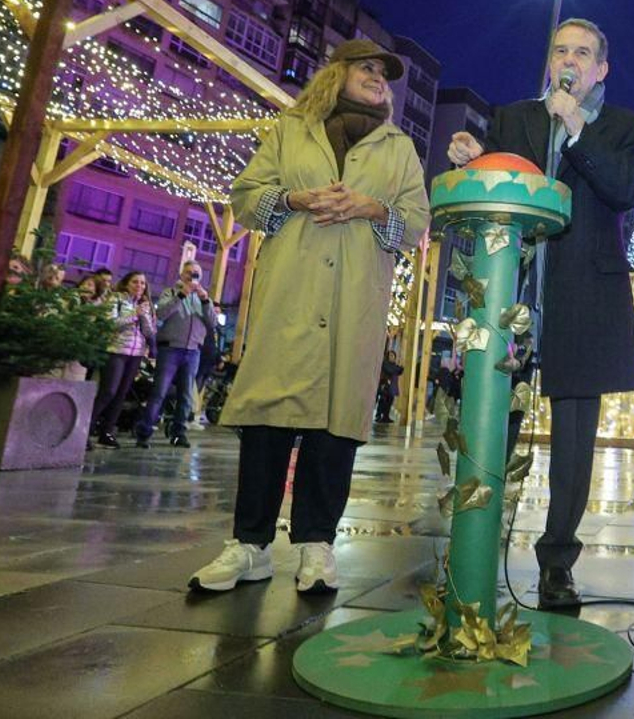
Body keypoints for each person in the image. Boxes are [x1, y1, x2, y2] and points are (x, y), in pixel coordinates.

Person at [189, 38, 428, 594]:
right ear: (336, 75)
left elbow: (416, 222)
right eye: (366, 69)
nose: (377, 79)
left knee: (334, 426)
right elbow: (246, 196)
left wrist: (373, 208)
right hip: (291, 293)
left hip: (354, 299)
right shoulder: (290, 129)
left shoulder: (399, 148)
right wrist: (295, 200)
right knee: (268, 420)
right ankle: (249, 546)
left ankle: (316, 545)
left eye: (382, 74)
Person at [446, 18, 634, 609]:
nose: (570, 59)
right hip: (514, 296)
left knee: (574, 442)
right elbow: (497, 188)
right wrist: (471, 158)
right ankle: (474, 542)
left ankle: (557, 561)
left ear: (601, 69)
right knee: (491, 419)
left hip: (586, 297)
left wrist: (578, 129)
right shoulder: (514, 119)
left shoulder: (622, 126)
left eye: (583, 52)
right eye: (561, 49)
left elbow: (623, 191)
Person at [137, 261, 216, 449]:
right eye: (189, 273)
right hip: (170, 349)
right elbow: (162, 313)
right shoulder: (170, 293)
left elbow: (212, 323)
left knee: (186, 396)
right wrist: (182, 294)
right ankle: (144, 432)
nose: (192, 276)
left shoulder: (203, 298)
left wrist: (205, 301)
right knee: (159, 392)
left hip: (193, 352)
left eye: (196, 273)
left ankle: (179, 433)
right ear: (181, 275)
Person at [90, 271, 155, 449]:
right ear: (127, 283)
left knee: (121, 395)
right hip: (116, 351)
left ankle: (107, 432)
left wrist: (144, 316)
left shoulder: (145, 304)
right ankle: (85, 430)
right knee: (108, 392)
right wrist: (134, 313)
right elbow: (111, 323)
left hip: (135, 354)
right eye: (135, 282)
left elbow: (149, 332)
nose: (140, 286)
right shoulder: (116, 299)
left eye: (143, 283)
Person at [375, 348, 403, 424]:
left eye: (393, 356)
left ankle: (386, 416)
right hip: (385, 386)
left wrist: (399, 368)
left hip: (391, 387)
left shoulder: (394, 365)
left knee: (389, 401)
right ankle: (379, 416)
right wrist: (397, 369)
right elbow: (391, 370)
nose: (392, 357)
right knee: (383, 401)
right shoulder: (385, 363)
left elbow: (400, 371)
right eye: (390, 356)